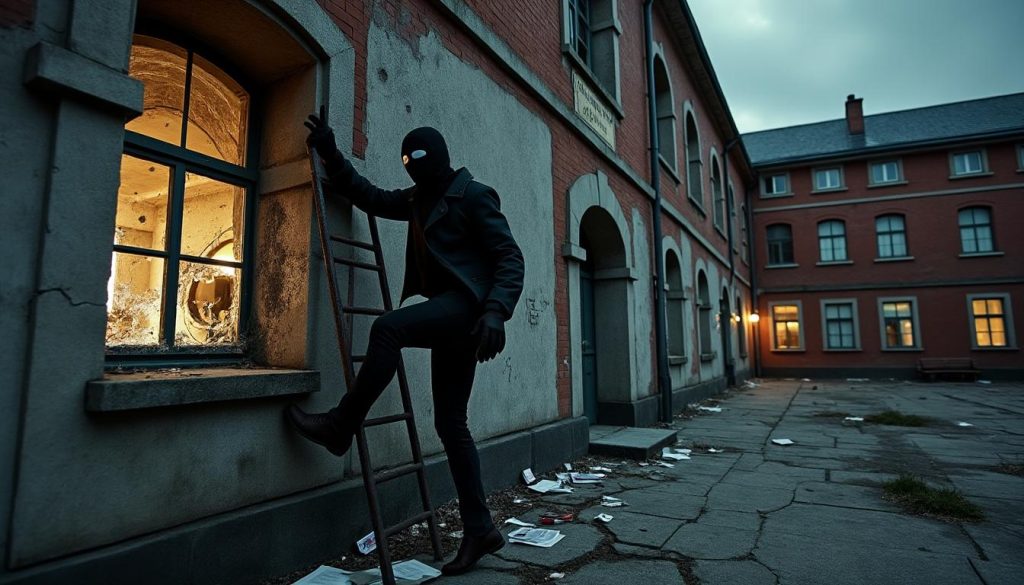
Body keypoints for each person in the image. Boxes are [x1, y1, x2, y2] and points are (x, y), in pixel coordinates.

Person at [287, 106, 525, 576]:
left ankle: (341, 425)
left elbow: (509, 258)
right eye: (406, 163)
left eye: (419, 160)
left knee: (387, 327)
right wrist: (332, 152)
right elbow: (370, 197)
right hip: (451, 317)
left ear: (439, 160)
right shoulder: (419, 198)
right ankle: (481, 529)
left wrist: (496, 313)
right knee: (451, 424)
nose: (412, 168)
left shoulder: (474, 196)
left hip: (468, 308)